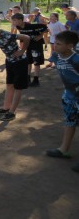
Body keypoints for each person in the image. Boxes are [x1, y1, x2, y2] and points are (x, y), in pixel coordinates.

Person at [45, 30, 79, 173]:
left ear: (70, 46)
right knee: (69, 121)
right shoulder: (56, 55)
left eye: (59, 44)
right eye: (55, 43)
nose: (55, 46)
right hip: (69, 96)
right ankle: (63, 149)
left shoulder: (76, 59)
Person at [0, 16, 30, 121]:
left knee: (18, 88)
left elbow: (26, 37)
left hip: (20, 62)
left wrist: (22, 51)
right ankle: (6, 108)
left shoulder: (7, 35)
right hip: (10, 61)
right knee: (9, 85)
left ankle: (12, 112)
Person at [11, 13, 48, 87]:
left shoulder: (31, 26)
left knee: (36, 62)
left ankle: (36, 80)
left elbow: (46, 28)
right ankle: (27, 78)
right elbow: (23, 36)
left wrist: (40, 36)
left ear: (20, 20)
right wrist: (22, 45)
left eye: (14, 20)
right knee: (28, 62)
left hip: (36, 45)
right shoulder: (18, 27)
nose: (13, 22)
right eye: (13, 20)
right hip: (28, 45)